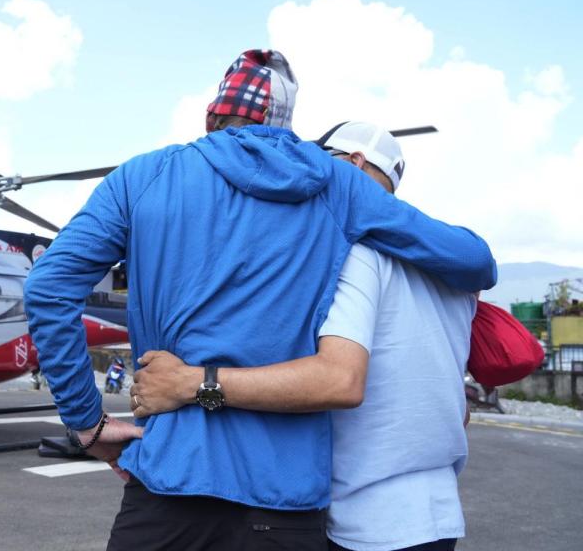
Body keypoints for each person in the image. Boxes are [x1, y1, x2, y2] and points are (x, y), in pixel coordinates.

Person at [24, 49, 497, 550]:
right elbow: (475, 262)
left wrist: (87, 421)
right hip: (286, 502)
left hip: (169, 485)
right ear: (288, 125)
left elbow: (48, 287)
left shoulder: (144, 177)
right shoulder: (337, 185)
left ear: (212, 116)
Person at [132, 121, 475, 550]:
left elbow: (338, 380)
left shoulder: (356, 254)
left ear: (352, 165)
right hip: (438, 512)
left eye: (321, 165)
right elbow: (454, 404)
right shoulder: (454, 272)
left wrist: (194, 383)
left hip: (366, 520)